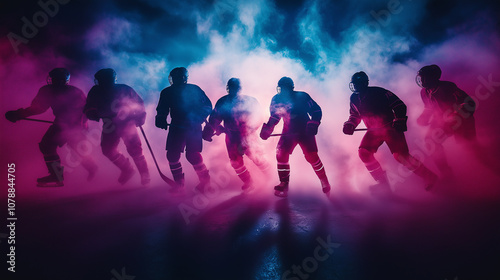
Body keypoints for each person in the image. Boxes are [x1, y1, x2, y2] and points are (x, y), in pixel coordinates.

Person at [343, 71, 437, 192]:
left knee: (401, 156)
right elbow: (355, 115)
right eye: (354, 84)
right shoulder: (354, 98)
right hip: (373, 131)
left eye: (358, 83)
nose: (356, 86)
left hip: (391, 129)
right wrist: (350, 124)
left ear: (365, 83)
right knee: (364, 152)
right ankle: (382, 183)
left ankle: (429, 177)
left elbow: (399, 105)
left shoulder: (379, 92)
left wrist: (399, 120)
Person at [5, 68, 98, 187]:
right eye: (54, 79)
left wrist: (78, 126)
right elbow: (38, 108)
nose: (55, 82)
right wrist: (19, 114)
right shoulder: (49, 91)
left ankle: (86, 168)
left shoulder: (72, 92)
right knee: (50, 145)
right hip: (61, 122)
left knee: (72, 147)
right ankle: (60, 174)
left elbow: (84, 111)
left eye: (58, 80)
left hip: (76, 124)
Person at [415, 64, 495, 176]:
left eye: (424, 77)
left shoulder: (448, 87)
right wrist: (424, 117)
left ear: (433, 77)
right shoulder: (424, 92)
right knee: (430, 141)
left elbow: (469, 103)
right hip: (442, 122)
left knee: (471, 149)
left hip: (462, 122)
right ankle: (447, 173)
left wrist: (456, 114)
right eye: (421, 77)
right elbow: (428, 108)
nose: (422, 80)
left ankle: (493, 167)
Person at [259, 77, 331, 197]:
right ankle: (284, 183)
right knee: (281, 154)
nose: (282, 91)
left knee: (312, 156)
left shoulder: (302, 97)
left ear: (290, 88)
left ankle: (324, 180)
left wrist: (314, 123)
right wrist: (268, 129)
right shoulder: (276, 99)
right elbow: (275, 117)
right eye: (280, 88)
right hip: (288, 131)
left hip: (305, 131)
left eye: (284, 88)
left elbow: (316, 110)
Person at [84, 68, 150, 185]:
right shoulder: (97, 91)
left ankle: (144, 175)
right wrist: (92, 113)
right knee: (108, 149)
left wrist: (140, 116)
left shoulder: (122, 89)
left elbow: (138, 103)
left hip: (125, 123)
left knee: (135, 150)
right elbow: (89, 106)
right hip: (110, 124)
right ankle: (128, 169)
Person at [202, 78, 270, 192]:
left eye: (235, 87)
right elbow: (215, 119)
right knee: (236, 162)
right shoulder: (223, 102)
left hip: (248, 137)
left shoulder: (250, 101)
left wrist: (249, 130)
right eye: (232, 87)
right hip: (232, 137)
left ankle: (270, 177)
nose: (234, 90)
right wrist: (209, 131)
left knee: (258, 158)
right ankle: (248, 182)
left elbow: (258, 117)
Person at [155, 67, 212, 191]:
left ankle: (205, 181)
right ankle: (180, 183)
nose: (175, 80)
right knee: (172, 156)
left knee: (192, 155)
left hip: (192, 127)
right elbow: (162, 108)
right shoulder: (167, 92)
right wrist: (161, 118)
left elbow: (207, 106)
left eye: (177, 78)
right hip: (177, 127)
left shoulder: (194, 90)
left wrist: (198, 117)